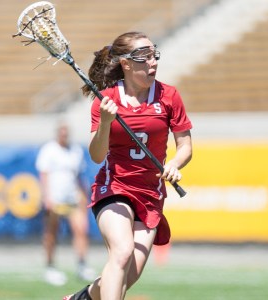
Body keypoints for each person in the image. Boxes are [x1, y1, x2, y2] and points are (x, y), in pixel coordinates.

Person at [64, 31, 193, 300]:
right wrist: (106, 123)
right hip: (115, 188)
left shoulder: (169, 96)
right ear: (125, 63)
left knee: (125, 275)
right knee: (121, 253)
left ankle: (81, 298)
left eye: (153, 55)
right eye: (143, 57)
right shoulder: (107, 100)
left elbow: (185, 146)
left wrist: (175, 164)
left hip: (150, 195)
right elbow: (97, 155)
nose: (152, 63)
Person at [35, 122, 96, 286]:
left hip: (72, 198)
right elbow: (44, 174)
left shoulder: (75, 150)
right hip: (55, 198)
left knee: (81, 230)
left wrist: (84, 194)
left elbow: (79, 175)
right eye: (61, 133)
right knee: (51, 234)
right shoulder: (49, 150)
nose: (64, 136)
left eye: (66, 133)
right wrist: (46, 197)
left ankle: (82, 265)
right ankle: (50, 267)